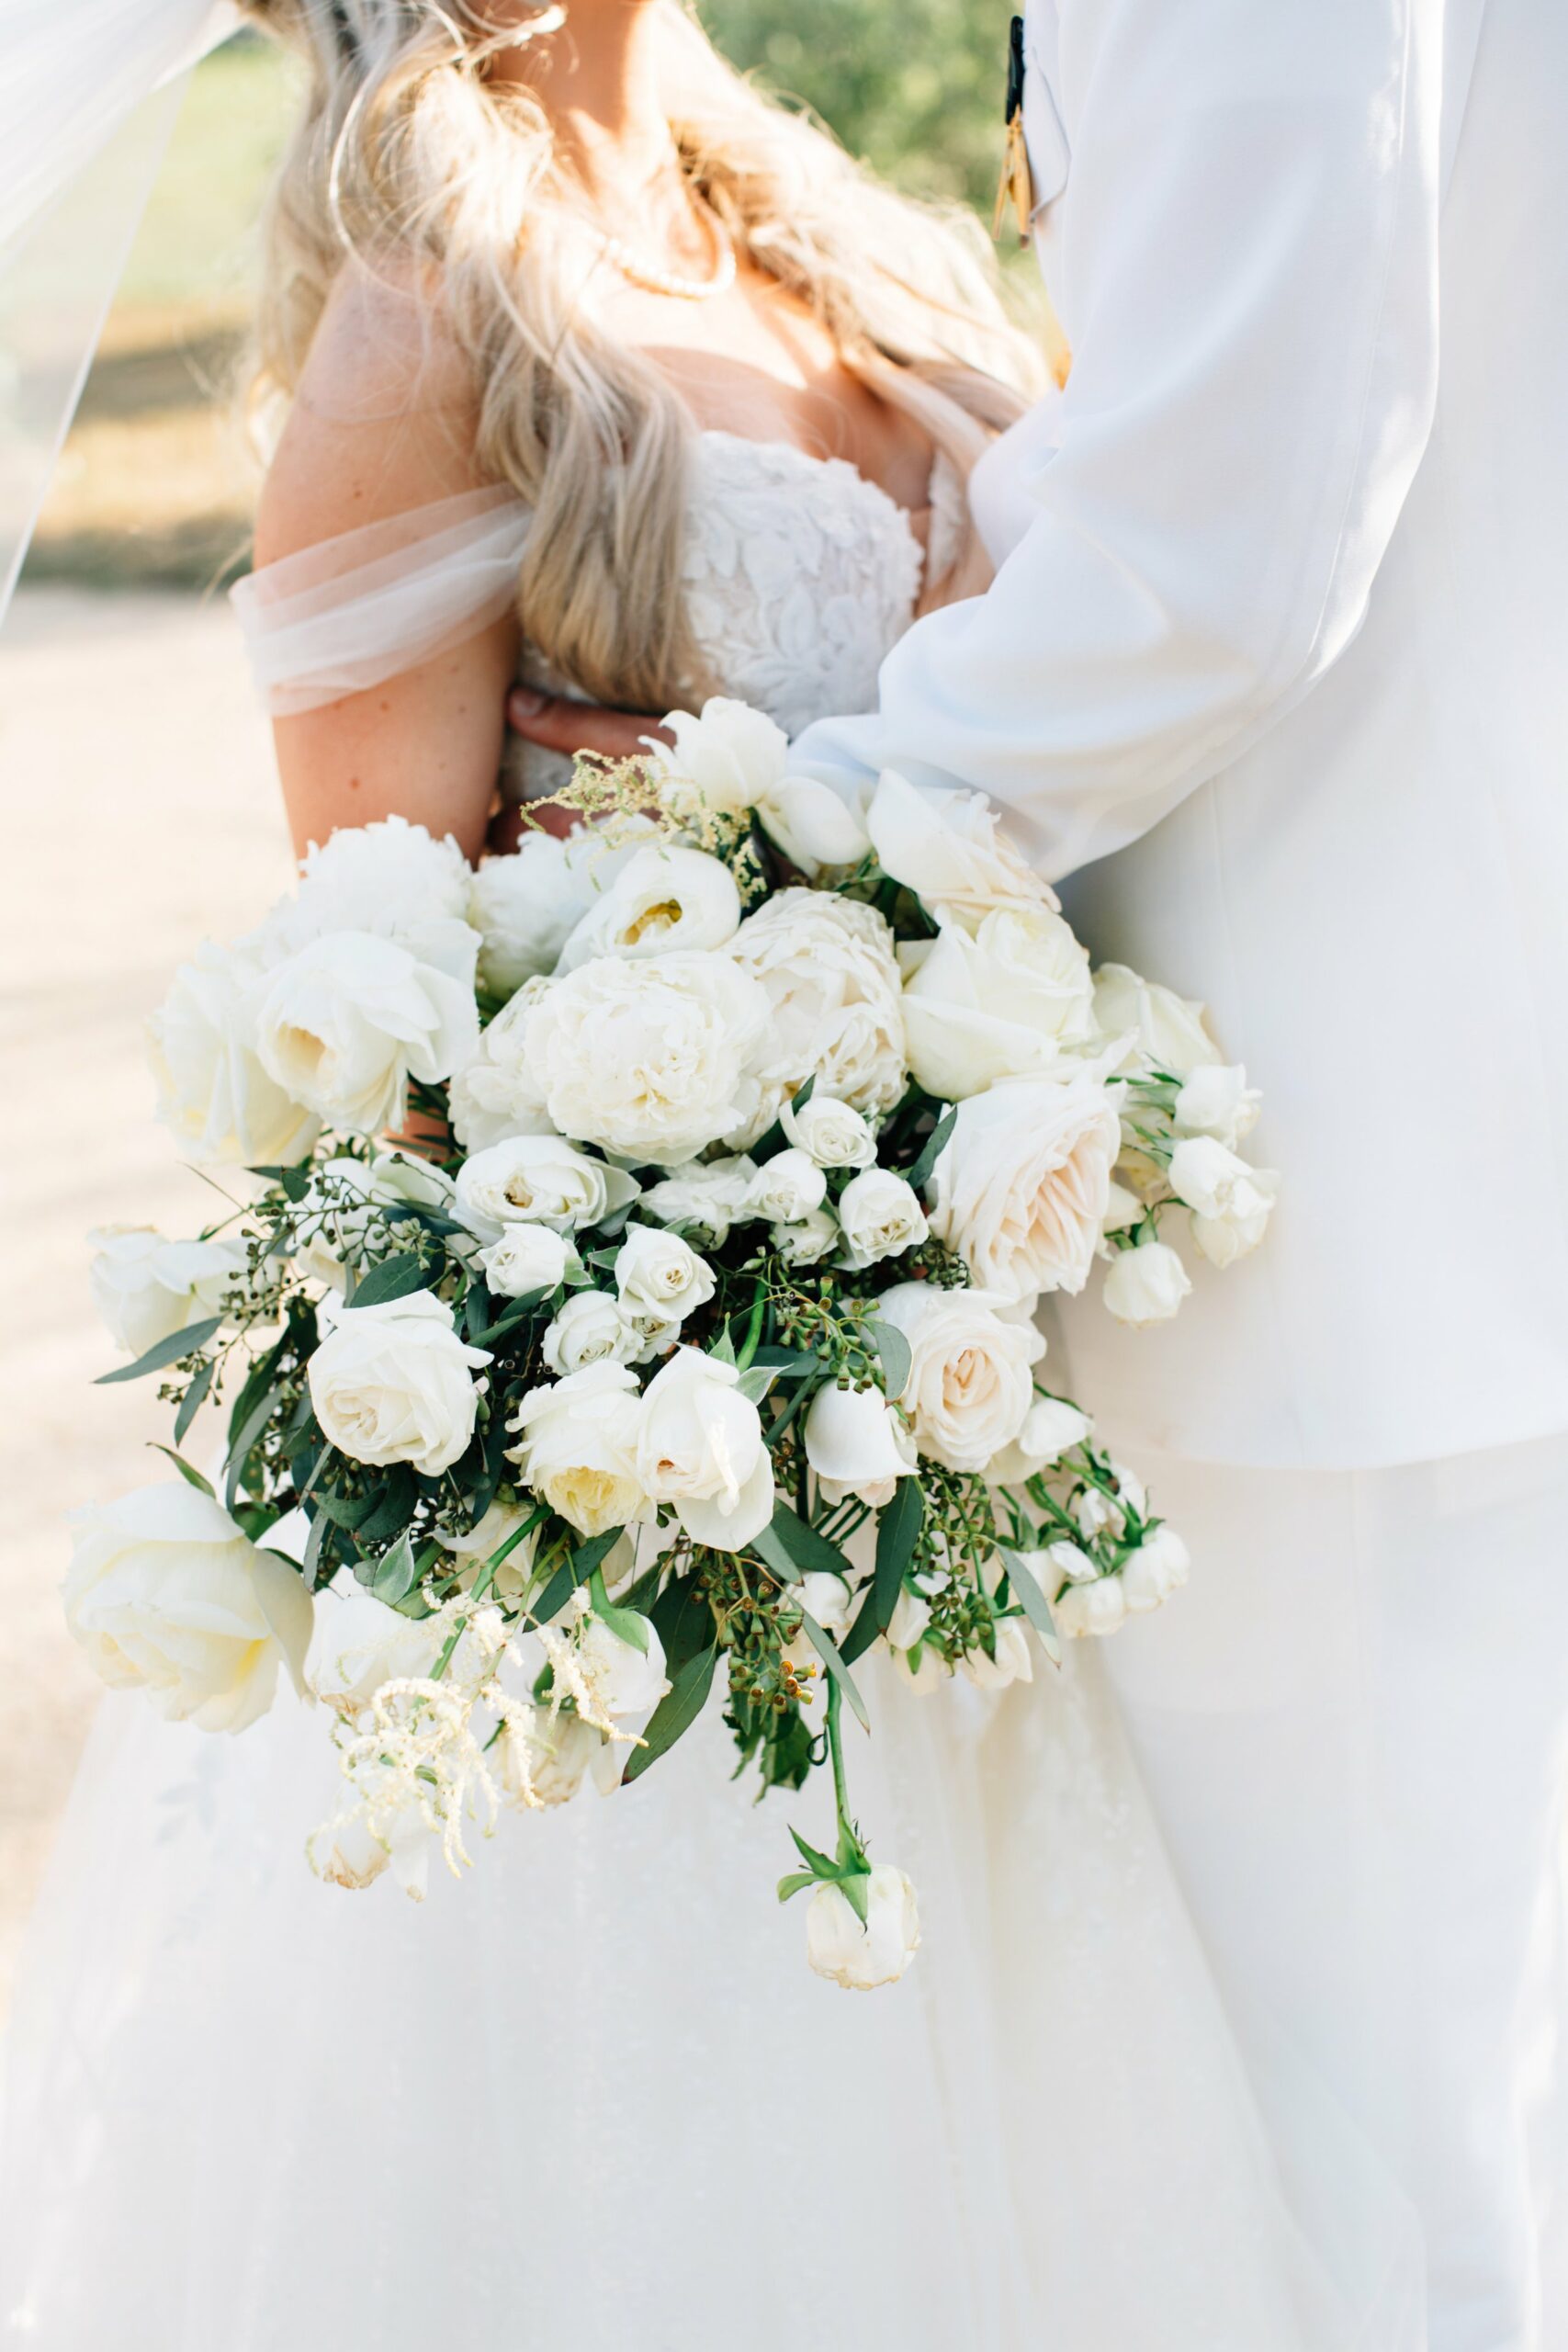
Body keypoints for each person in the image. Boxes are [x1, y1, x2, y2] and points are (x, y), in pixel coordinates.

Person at [0, 5, 1408, 2347]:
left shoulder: (830, 230)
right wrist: (701, 1025)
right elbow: (378, 1042)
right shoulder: (429, 303)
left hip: (952, 1425)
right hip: (665, 1495)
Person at [518, 0, 1568, 2342]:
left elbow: (1220, 546)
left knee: (1381, 2183)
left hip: (1342, 1206)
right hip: (1341, 1171)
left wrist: (757, 849)